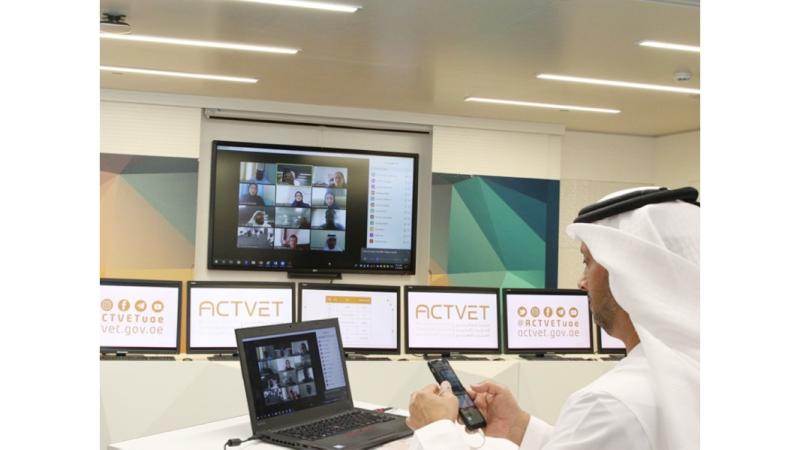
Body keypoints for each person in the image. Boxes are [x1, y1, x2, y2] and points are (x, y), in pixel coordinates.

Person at [406, 187, 700, 450]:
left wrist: (436, 430)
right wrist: (517, 426)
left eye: (587, 262)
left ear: (625, 272)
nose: (582, 282)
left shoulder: (611, 403)